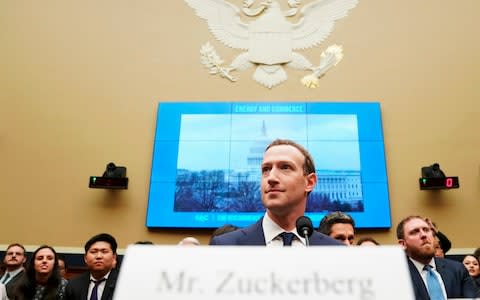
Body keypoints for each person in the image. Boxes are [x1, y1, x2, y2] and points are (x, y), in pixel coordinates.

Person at [210, 139, 341, 246]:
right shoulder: (226, 246)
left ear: (310, 182)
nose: (271, 178)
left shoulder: (336, 251)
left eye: (285, 167)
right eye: (266, 169)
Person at [397, 215, 478, 299]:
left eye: (426, 230)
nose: (423, 235)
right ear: (403, 244)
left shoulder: (457, 269)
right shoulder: (397, 276)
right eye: (415, 232)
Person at [65, 233, 119, 300]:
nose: (99, 256)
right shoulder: (74, 284)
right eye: (93, 252)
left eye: (104, 252)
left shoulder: (123, 283)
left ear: (114, 258)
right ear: (85, 258)